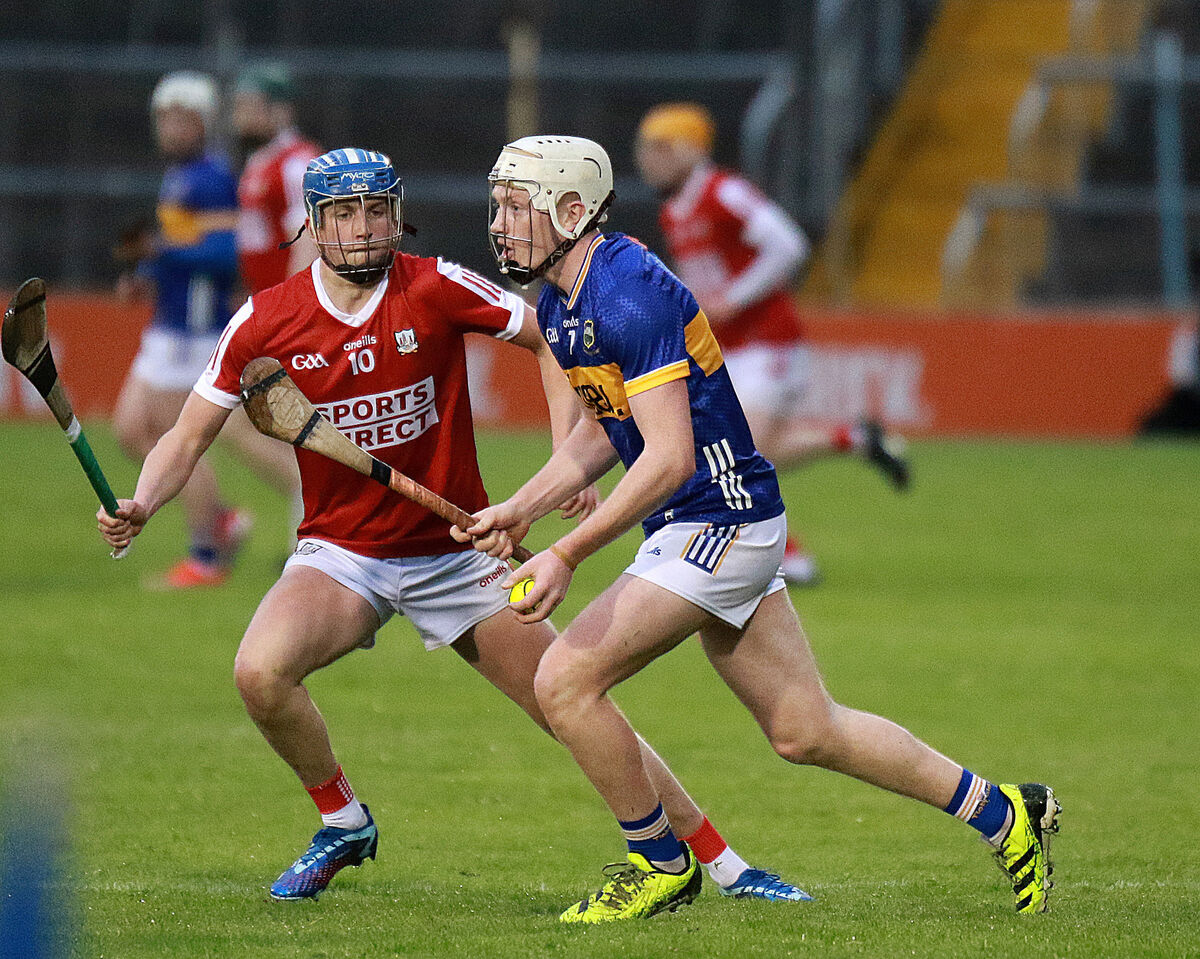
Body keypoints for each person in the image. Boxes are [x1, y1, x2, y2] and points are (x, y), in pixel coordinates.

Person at [97, 148, 808, 905]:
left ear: (398, 213)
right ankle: (342, 820)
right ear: (311, 225)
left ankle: (723, 864)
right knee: (259, 673)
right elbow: (186, 434)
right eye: (343, 214)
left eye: (377, 210)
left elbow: (545, 337)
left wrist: (565, 454)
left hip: (459, 551)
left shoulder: (435, 284)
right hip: (342, 552)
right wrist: (144, 501)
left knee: (573, 703)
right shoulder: (266, 317)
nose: (363, 229)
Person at [462, 134, 1060, 923]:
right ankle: (1004, 812)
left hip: (717, 520)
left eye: (517, 206)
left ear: (572, 212)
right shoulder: (563, 301)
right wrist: (523, 507)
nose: (500, 224)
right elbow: (608, 430)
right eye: (499, 204)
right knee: (807, 729)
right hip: (713, 520)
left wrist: (569, 549)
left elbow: (669, 456)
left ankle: (660, 862)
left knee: (563, 681)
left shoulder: (625, 292)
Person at [635, 102, 910, 585]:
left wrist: (734, 298)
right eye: (646, 148)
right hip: (728, 349)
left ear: (692, 149)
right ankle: (856, 439)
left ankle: (791, 556)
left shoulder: (725, 192)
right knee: (750, 450)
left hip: (768, 343)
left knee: (739, 454)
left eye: (661, 148)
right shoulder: (672, 207)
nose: (648, 159)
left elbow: (789, 244)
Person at [112, 71, 295, 589]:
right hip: (167, 324)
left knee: (184, 440)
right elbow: (182, 246)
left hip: (195, 331)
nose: (169, 127)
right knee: (132, 429)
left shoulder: (213, 178)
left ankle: (209, 551)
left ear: (202, 122)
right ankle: (222, 521)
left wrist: (159, 252)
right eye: (163, 117)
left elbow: (222, 255)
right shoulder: (179, 177)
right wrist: (148, 274)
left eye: (181, 117)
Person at [232, 62, 321, 294]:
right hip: (262, 298)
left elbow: (307, 239)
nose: (241, 116)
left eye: (251, 106)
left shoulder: (297, 163)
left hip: (282, 302)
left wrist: (293, 303)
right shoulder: (260, 159)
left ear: (281, 110)